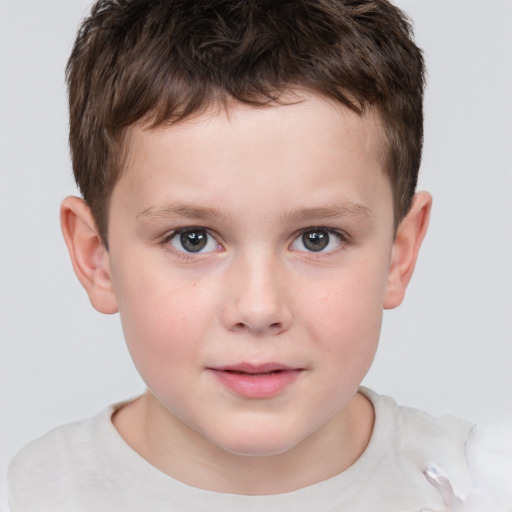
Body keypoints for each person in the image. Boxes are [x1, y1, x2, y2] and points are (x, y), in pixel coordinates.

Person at [6, 0, 511, 510]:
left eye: (318, 238)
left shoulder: (480, 490)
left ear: (398, 255)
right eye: (193, 239)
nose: (259, 308)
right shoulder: (27, 495)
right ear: (98, 258)